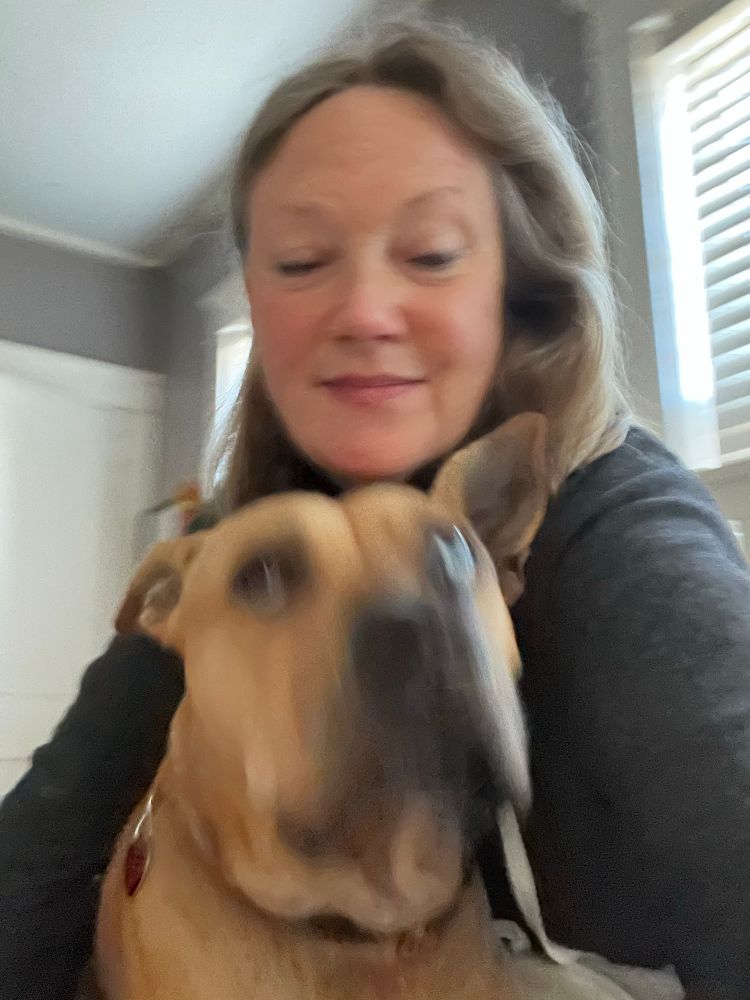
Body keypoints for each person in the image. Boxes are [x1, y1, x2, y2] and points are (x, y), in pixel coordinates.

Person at [1, 19, 748, 1000]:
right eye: (303, 259)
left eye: (431, 253)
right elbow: (42, 845)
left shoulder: (608, 512)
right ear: (259, 307)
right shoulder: (233, 539)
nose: (362, 308)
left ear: (517, 289)